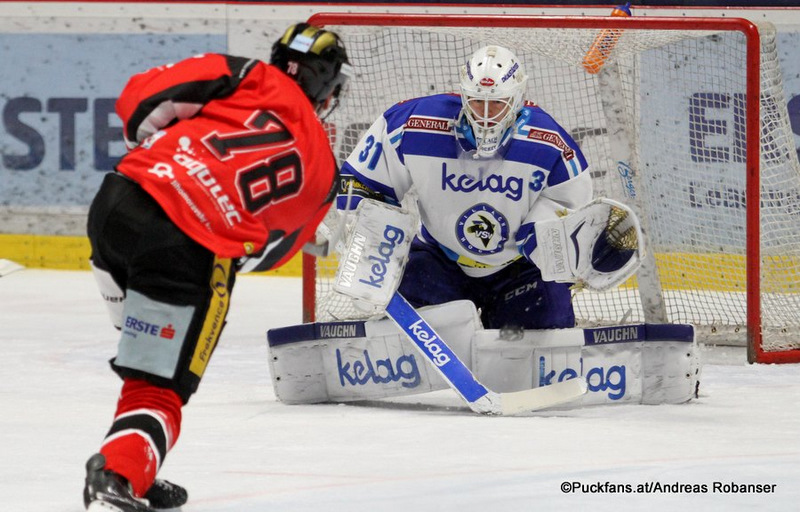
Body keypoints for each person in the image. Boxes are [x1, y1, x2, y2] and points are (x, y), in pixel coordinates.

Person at [82, 23, 351, 512]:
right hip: (185, 250)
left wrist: (169, 165)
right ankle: (121, 469)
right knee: (158, 385)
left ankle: (135, 459)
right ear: (329, 89)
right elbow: (271, 255)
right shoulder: (324, 169)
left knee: (147, 354)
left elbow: (137, 103)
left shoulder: (248, 74)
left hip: (117, 204)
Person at [337, 45, 592, 331]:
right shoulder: (417, 123)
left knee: (547, 331)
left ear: (517, 98)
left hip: (519, 269)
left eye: (497, 103)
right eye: (476, 101)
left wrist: (543, 233)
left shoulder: (548, 141)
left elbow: (571, 201)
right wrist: (370, 243)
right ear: (463, 94)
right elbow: (363, 181)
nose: (485, 114)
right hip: (439, 261)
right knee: (402, 330)